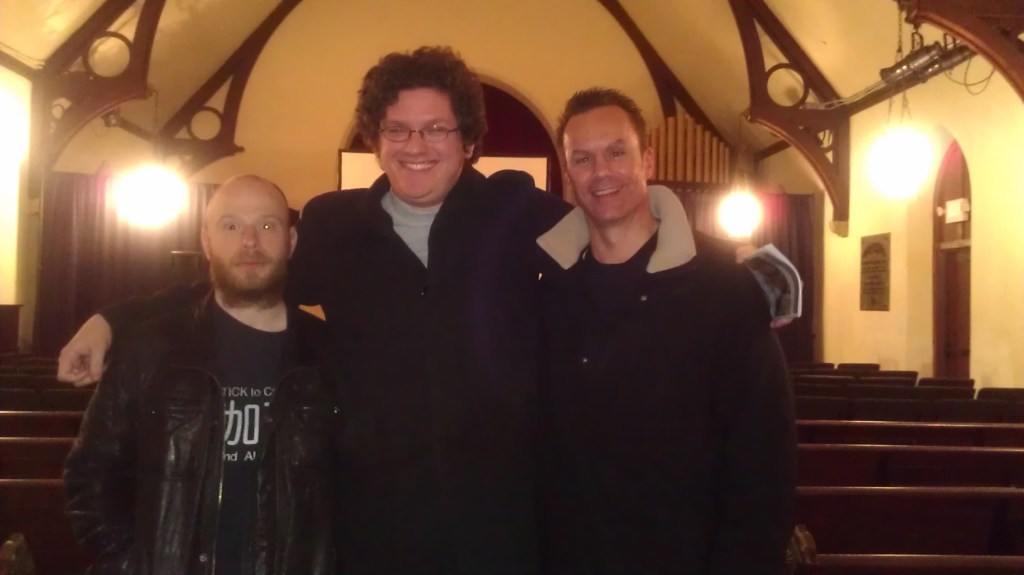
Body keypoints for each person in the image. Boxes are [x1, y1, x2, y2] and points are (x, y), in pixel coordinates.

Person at [57, 47, 799, 574]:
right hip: (371, 529)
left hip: (504, 532)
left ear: (468, 139)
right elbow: (247, 274)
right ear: (375, 139)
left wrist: (753, 276)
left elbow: (619, 230)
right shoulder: (335, 225)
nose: (417, 146)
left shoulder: (517, 213)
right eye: (398, 129)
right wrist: (114, 318)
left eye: (437, 128)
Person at [535, 88, 796, 574]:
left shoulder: (726, 283)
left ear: (647, 161)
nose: (601, 171)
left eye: (617, 152)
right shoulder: (548, 287)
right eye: (583, 158)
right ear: (568, 174)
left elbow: (763, 460)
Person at [63, 175, 340, 575]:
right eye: (231, 226)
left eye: (267, 225)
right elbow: (90, 474)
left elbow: (356, 485)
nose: (250, 241)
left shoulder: (329, 355)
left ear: (291, 241)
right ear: (206, 242)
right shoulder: (148, 349)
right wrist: (131, 564)